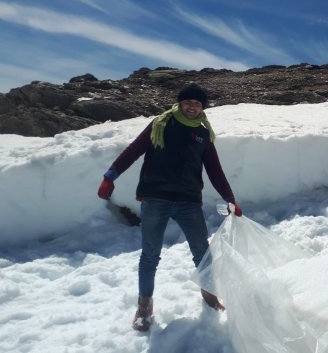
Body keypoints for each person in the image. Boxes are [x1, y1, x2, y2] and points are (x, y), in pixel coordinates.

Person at [96, 83, 242, 331]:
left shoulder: (203, 134)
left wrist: (230, 199)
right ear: (179, 103)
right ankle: (144, 306)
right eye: (188, 102)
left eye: (197, 104)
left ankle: (210, 297)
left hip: (188, 201)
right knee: (150, 255)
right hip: (155, 198)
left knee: (203, 254)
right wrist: (110, 176)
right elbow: (133, 151)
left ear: (201, 107)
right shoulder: (160, 124)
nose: (192, 107)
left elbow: (215, 171)